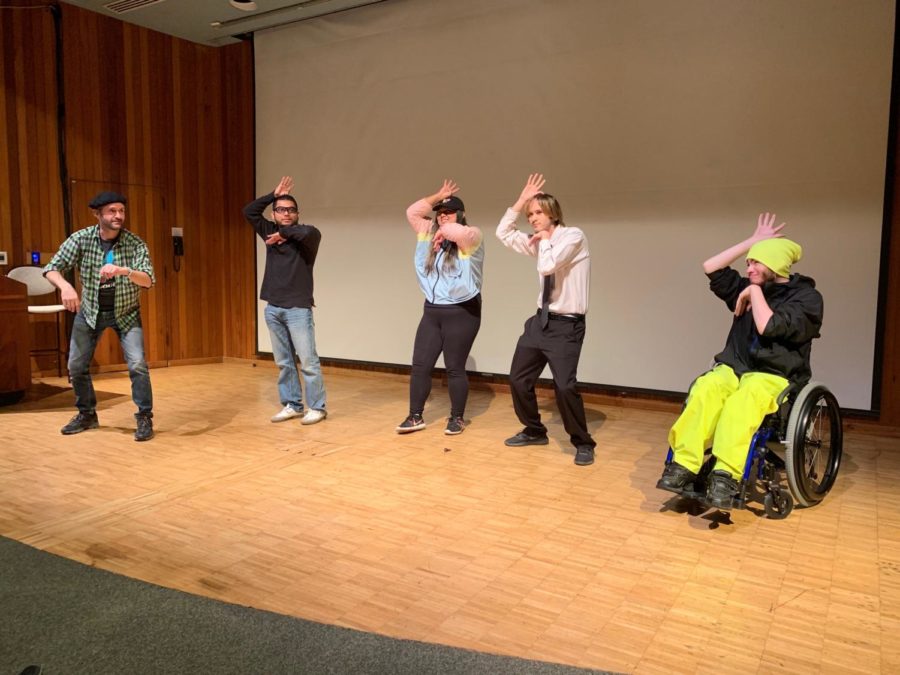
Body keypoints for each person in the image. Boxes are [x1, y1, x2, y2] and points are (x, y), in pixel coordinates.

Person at [656, 213, 823, 509]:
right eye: (748, 262)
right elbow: (711, 267)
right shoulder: (747, 284)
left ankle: (726, 475)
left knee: (741, 403)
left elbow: (768, 326)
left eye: (756, 262)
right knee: (706, 389)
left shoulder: (806, 298)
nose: (749, 267)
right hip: (735, 367)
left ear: (775, 265)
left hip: (774, 375)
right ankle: (684, 464)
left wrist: (754, 292)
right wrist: (753, 242)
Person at [495, 174, 597, 466]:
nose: (533, 218)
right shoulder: (540, 241)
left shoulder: (574, 237)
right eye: (530, 214)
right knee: (518, 378)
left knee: (564, 386)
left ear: (553, 213)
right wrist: (519, 201)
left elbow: (551, 264)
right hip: (540, 321)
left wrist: (543, 242)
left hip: (567, 325)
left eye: (538, 212)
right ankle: (534, 430)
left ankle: (583, 442)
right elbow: (503, 233)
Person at [44, 191, 156, 441]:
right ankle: (87, 415)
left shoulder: (135, 243)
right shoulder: (81, 239)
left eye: (122, 211)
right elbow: (51, 268)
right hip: (90, 312)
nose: (118, 216)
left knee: (138, 365)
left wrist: (123, 271)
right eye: (112, 211)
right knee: (75, 365)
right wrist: (66, 286)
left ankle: (144, 417)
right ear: (98, 214)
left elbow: (148, 281)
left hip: (126, 313)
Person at [396, 179, 485, 435]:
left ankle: (456, 418)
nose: (443, 216)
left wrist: (442, 232)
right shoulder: (426, 230)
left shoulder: (472, 237)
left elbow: (460, 234)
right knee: (420, 365)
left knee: (454, 367)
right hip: (433, 310)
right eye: (440, 213)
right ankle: (415, 417)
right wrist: (439, 196)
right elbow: (412, 212)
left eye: (449, 212)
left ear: (462, 214)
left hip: (462, 310)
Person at [243, 176, 327, 425]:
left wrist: (284, 233)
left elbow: (310, 232)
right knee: (284, 362)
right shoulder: (268, 230)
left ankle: (318, 407)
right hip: (273, 307)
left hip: (298, 308)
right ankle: (293, 404)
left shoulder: (306, 236)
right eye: (281, 210)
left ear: (297, 213)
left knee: (308, 361)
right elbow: (248, 211)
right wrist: (273, 194)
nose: (286, 214)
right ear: (274, 213)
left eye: (291, 210)